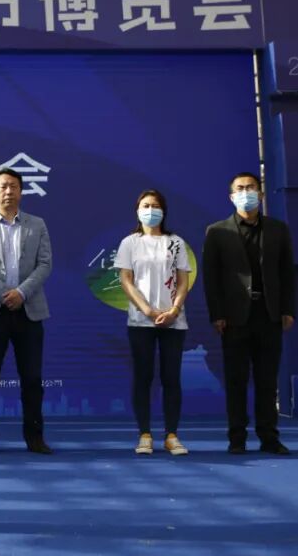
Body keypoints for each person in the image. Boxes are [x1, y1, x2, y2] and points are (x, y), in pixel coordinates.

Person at [202, 172, 296, 455]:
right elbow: (211, 278)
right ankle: (237, 438)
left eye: (251, 188)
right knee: (236, 381)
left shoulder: (278, 230)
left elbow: (287, 273)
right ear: (232, 197)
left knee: (267, 381)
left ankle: (269, 437)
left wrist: (288, 309)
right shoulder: (217, 232)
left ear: (261, 194)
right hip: (234, 318)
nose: (246, 193)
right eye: (240, 189)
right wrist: (217, 314)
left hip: (269, 314)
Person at [0, 168, 53, 456]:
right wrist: (5, 294)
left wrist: (21, 293)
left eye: (14, 186)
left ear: (21, 192)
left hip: (29, 310)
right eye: (3, 186)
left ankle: (35, 437)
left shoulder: (37, 225)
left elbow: (45, 264)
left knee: (32, 379)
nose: (8, 191)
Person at [114, 189, 192, 456]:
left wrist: (174, 309)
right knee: (143, 377)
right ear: (137, 211)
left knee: (171, 378)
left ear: (163, 211)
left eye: (155, 206)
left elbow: (183, 280)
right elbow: (126, 280)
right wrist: (147, 310)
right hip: (140, 321)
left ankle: (172, 435)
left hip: (173, 321)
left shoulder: (176, 242)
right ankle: (144, 434)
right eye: (145, 206)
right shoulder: (130, 243)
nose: (150, 210)